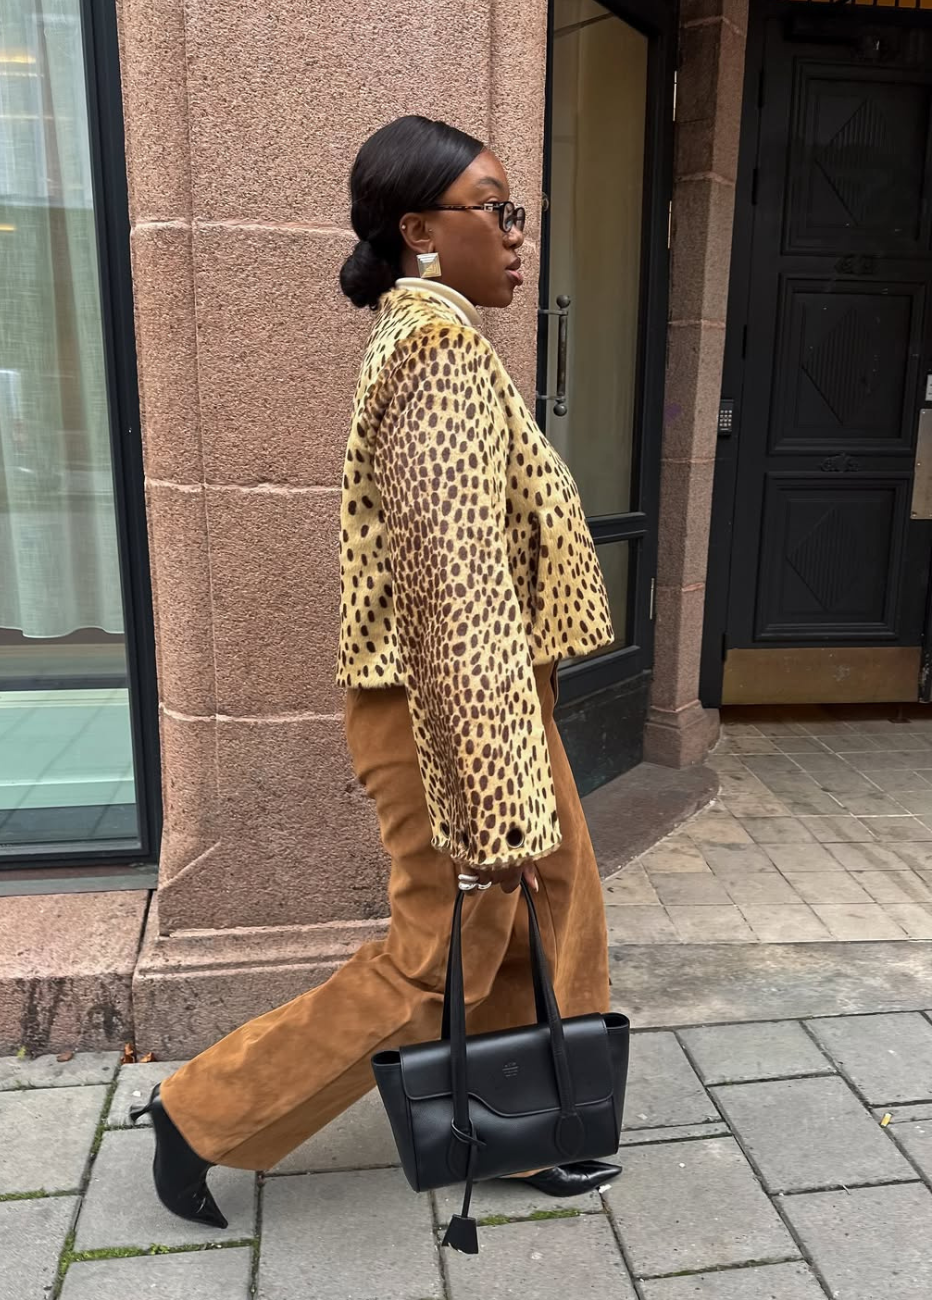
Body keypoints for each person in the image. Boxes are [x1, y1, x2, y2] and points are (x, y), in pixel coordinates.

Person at [129, 115, 618, 1228]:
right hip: (452, 710)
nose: (515, 232)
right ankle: (201, 1110)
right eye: (494, 208)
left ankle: (529, 1123)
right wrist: (489, 790)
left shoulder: (441, 343)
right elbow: (452, 594)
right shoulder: (439, 356)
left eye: (515, 210)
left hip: (485, 697)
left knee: (548, 918)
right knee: (437, 956)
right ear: (419, 230)